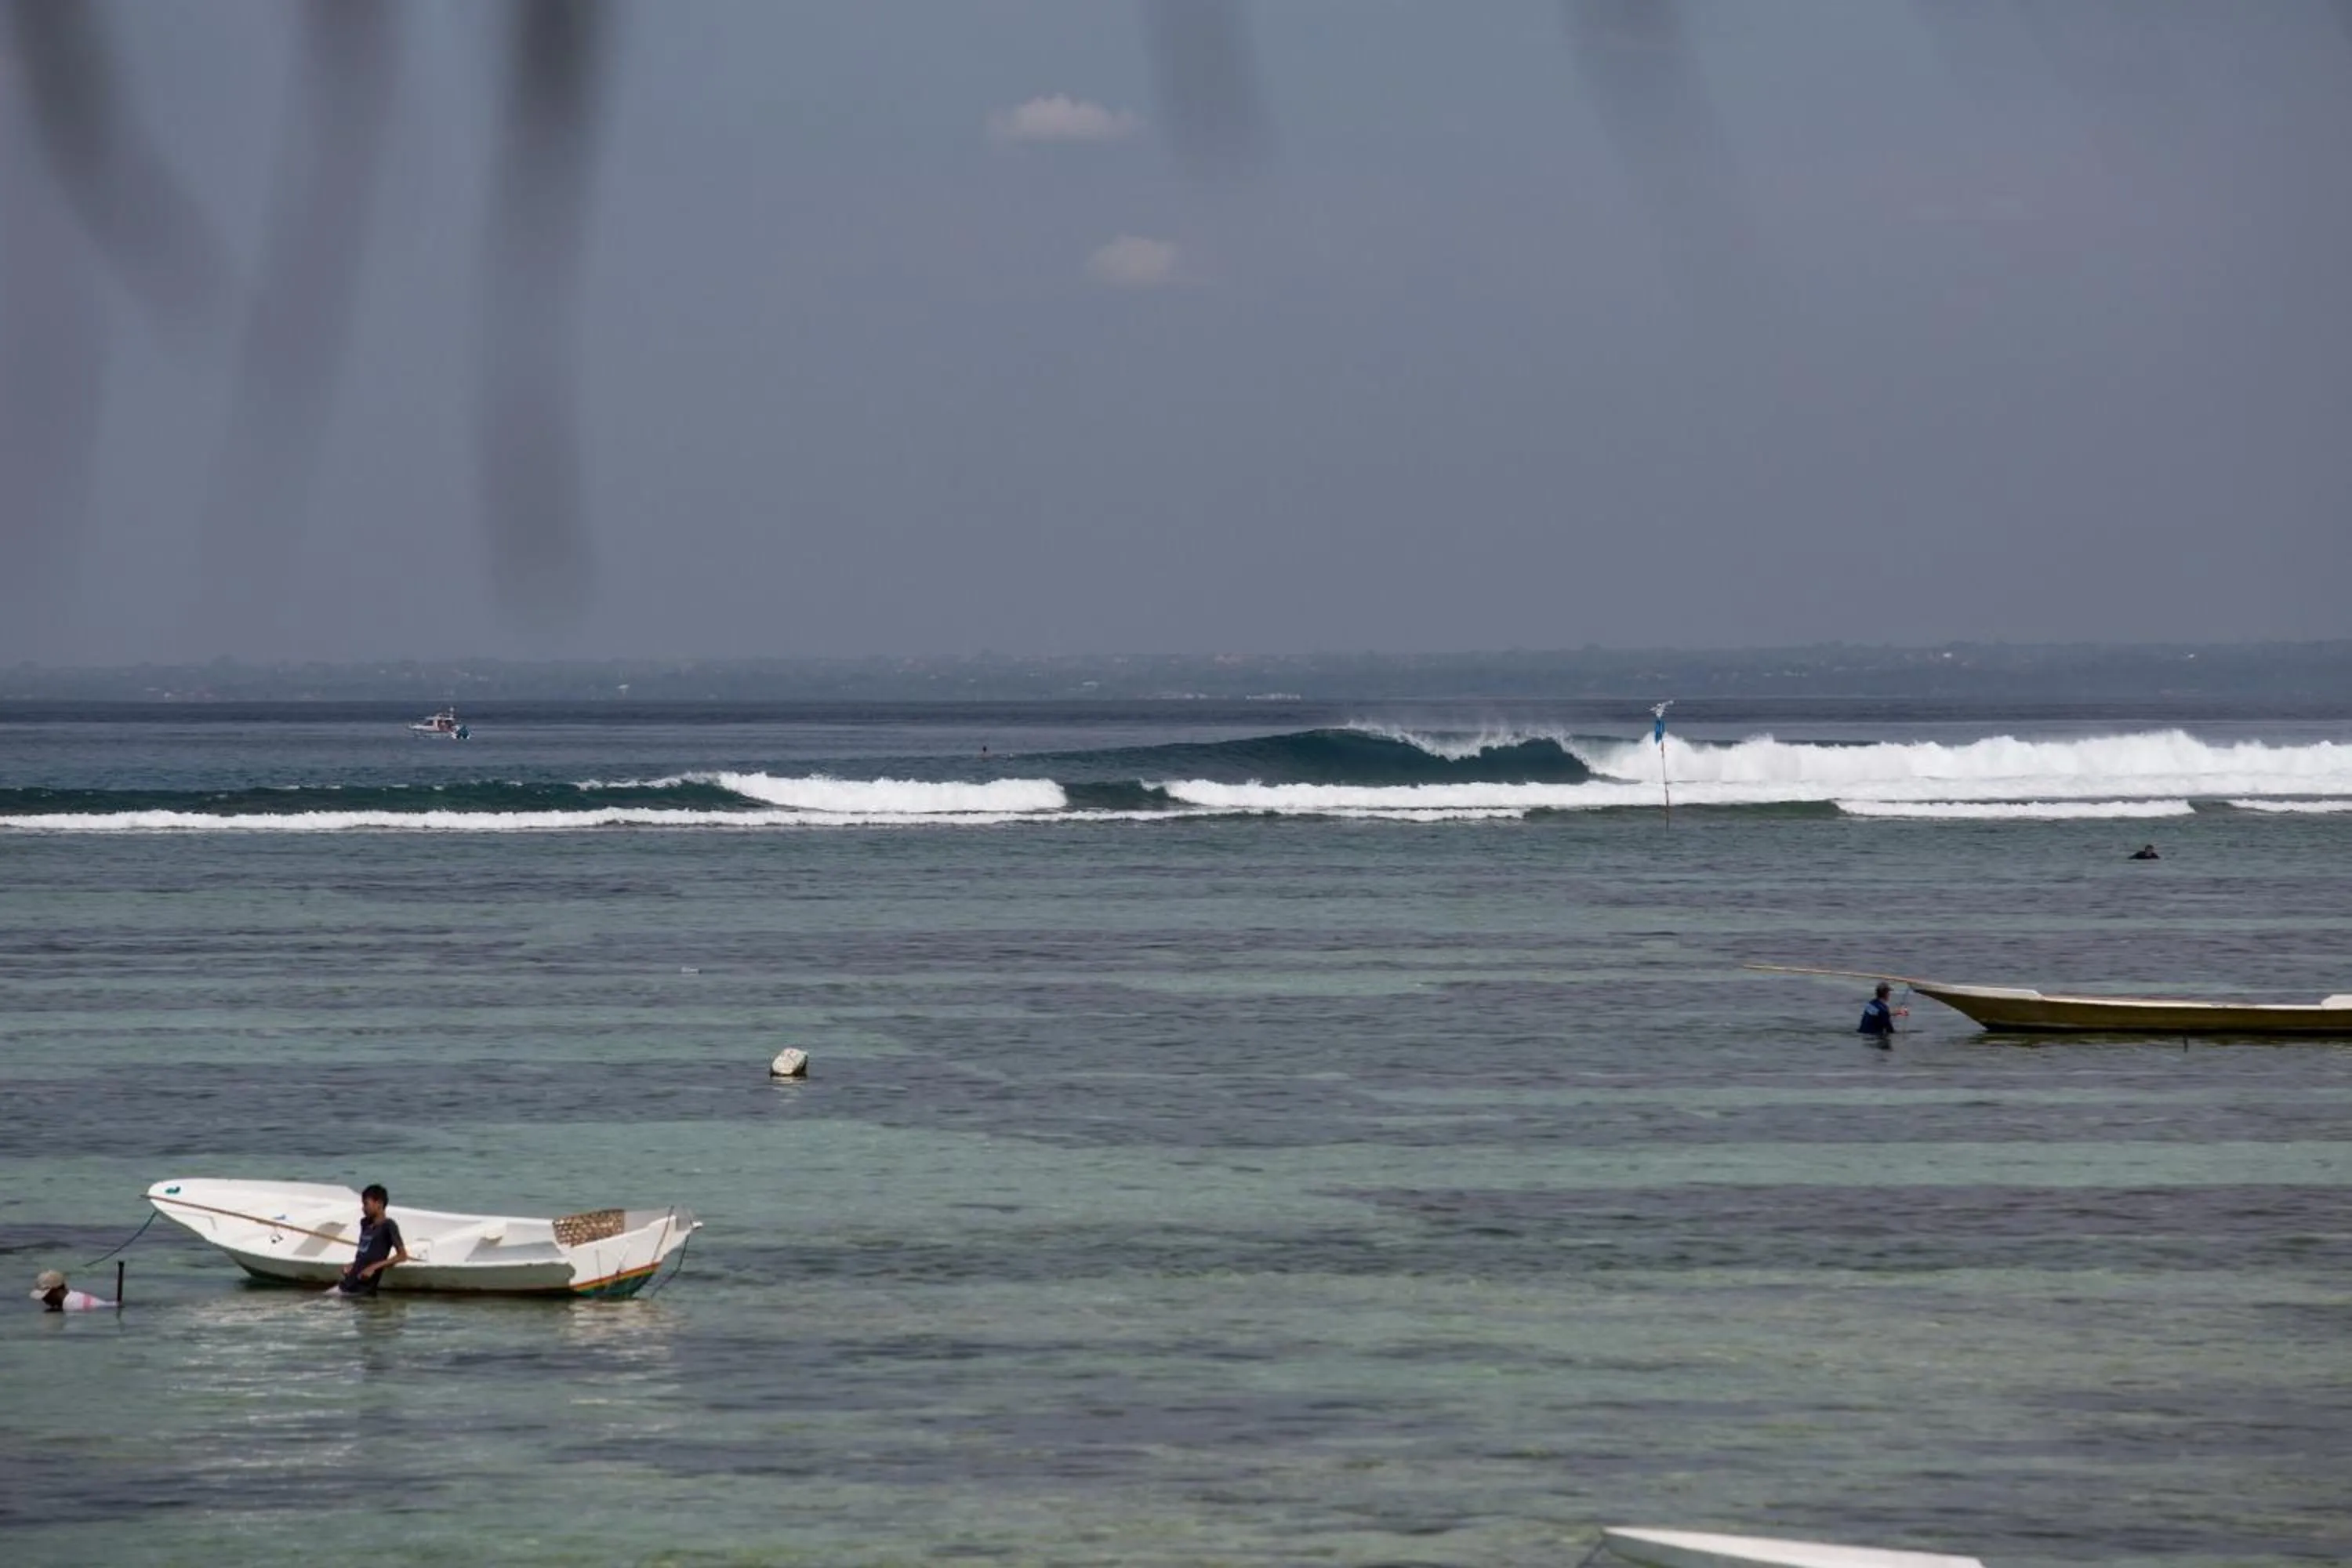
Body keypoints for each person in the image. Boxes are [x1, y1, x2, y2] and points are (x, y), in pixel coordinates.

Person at [337, 1183, 409, 1296]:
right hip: (349, 1283)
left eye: (366, 1204)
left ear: (379, 1204)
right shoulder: (365, 1223)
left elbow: (402, 1256)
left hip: (362, 1289)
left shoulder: (388, 1226)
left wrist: (374, 1268)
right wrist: (352, 1265)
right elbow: (364, 1254)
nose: (363, 1208)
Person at [30, 1269, 113, 1312]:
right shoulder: (73, 1296)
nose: (44, 1299)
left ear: (58, 1289)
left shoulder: (72, 1304)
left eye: (47, 1295)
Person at [1858, 982, 1906, 1047]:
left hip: (1862, 1033)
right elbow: (1890, 1030)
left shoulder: (1871, 1004)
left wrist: (1898, 1012)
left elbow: (1879, 1013)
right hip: (1873, 1037)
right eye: (1889, 993)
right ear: (1886, 994)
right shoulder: (1883, 1010)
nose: (1889, 995)